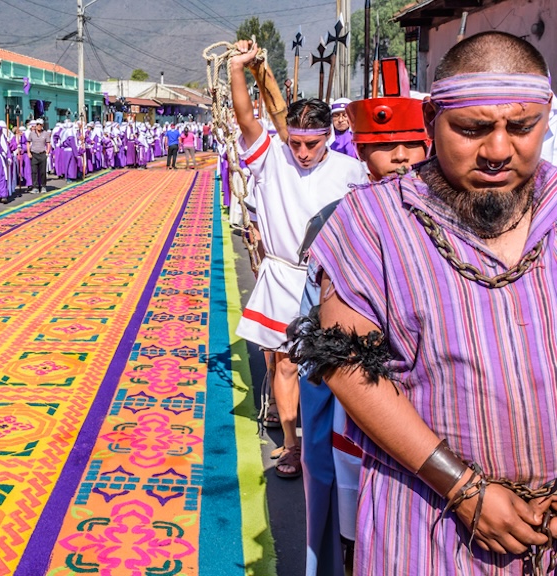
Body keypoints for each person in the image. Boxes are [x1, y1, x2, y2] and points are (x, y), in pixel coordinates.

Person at [292, 31, 557, 575]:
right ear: (434, 116)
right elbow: (345, 365)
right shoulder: (371, 222)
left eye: (522, 127)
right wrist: (464, 490)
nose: (499, 150)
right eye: (473, 129)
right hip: (427, 527)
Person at [295, 95, 430, 576]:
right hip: (357, 414)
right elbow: (316, 343)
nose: (399, 157)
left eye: (411, 143)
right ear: (361, 149)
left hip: (438, 409)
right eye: (384, 144)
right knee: (358, 538)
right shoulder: (333, 222)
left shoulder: (459, 218)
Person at [229, 39, 365, 480]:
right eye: (297, 143)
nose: (302, 153)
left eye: (312, 144)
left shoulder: (350, 172)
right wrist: (239, 68)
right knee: (285, 362)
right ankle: (290, 444)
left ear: (328, 137)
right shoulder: (271, 158)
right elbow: (247, 116)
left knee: (336, 365)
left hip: (332, 281)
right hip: (284, 277)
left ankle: (337, 441)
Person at [27, 119, 50, 194]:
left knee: (43, 171)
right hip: (34, 153)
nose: (39, 126)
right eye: (37, 124)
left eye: (40, 125)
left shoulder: (45, 134)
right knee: (34, 171)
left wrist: (47, 152)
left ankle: (43, 186)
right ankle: (35, 187)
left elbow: (48, 143)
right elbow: (28, 143)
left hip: (42, 153)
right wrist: (28, 152)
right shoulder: (31, 133)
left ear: (42, 125)